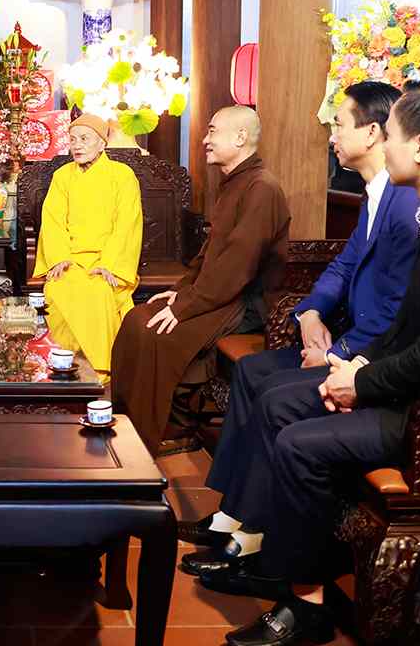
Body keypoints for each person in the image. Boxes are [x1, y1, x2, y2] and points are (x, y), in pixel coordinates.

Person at [202, 79, 420, 646]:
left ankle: (304, 603)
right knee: (283, 398)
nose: (382, 147)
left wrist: (362, 379)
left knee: (299, 442)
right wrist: (353, 369)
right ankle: (275, 559)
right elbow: (414, 325)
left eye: (389, 135)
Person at [181, 82, 420, 570]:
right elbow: (342, 267)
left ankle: (253, 531)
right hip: (345, 338)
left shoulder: (402, 202)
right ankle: (232, 513)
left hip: (370, 356)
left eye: (337, 124)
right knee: (251, 372)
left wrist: (340, 354)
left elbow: (397, 307)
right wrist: (309, 312)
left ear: (374, 133)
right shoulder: (374, 194)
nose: (330, 135)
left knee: (273, 391)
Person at [111, 105, 290, 453]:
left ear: (240, 137)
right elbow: (208, 255)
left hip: (245, 302)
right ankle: (127, 426)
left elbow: (238, 266)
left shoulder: (261, 188)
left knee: (156, 333)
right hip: (218, 292)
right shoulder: (235, 183)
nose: (205, 140)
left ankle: (164, 431)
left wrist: (186, 308)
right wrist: (178, 293)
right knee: (136, 319)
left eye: (212, 132)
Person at [30, 113, 143, 374]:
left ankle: (100, 367)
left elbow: (127, 224)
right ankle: (64, 363)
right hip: (70, 259)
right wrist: (58, 258)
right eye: (72, 140)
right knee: (57, 289)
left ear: (102, 143)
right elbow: (53, 220)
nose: (77, 145)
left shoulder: (122, 175)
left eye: (84, 139)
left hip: (106, 260)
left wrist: (111, 265)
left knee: (100, 290)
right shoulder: (62, 176)